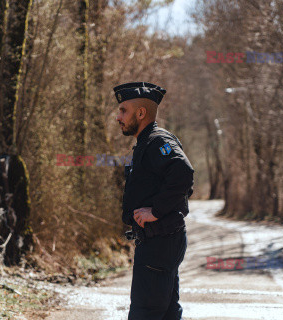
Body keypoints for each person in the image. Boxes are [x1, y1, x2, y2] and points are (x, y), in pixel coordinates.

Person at [114, 82, 194, 320]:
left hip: (159, 242)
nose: (118, 117)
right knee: (167, 313)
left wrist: (156, 211)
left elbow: (183, 173)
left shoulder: (157, 141)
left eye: (123, 110)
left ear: (141, 113)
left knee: (144, 314)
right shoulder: (147, 143)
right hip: (161, 242)